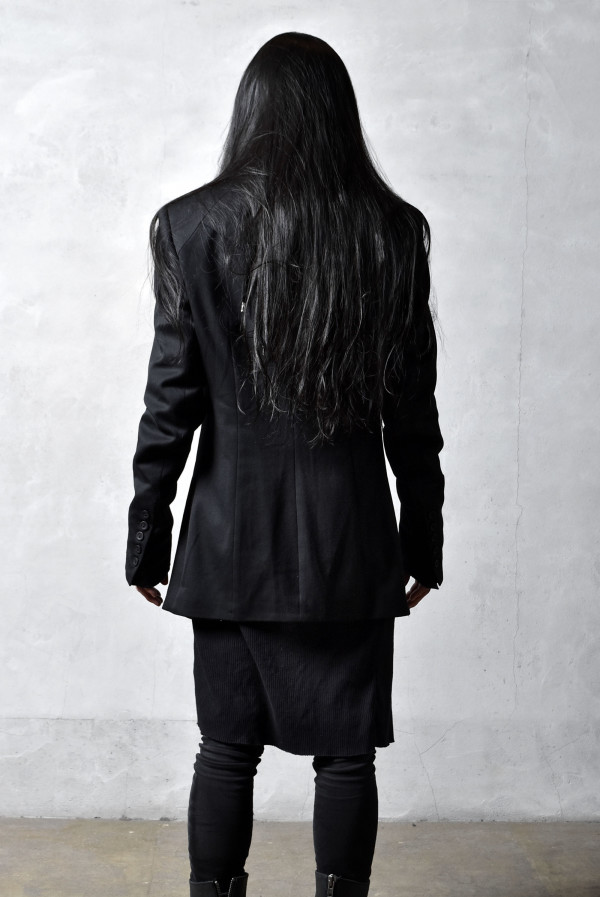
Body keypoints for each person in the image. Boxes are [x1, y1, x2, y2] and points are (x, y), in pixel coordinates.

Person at [125, 31, 444, 897]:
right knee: (347, 756)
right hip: (350, 545)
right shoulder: (392, 232)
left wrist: (147, 537)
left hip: (231, 543)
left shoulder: (189, 226)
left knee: (225, 748)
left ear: (250, 113)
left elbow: (170, 402)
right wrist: (423, 542)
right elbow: (413, 417)